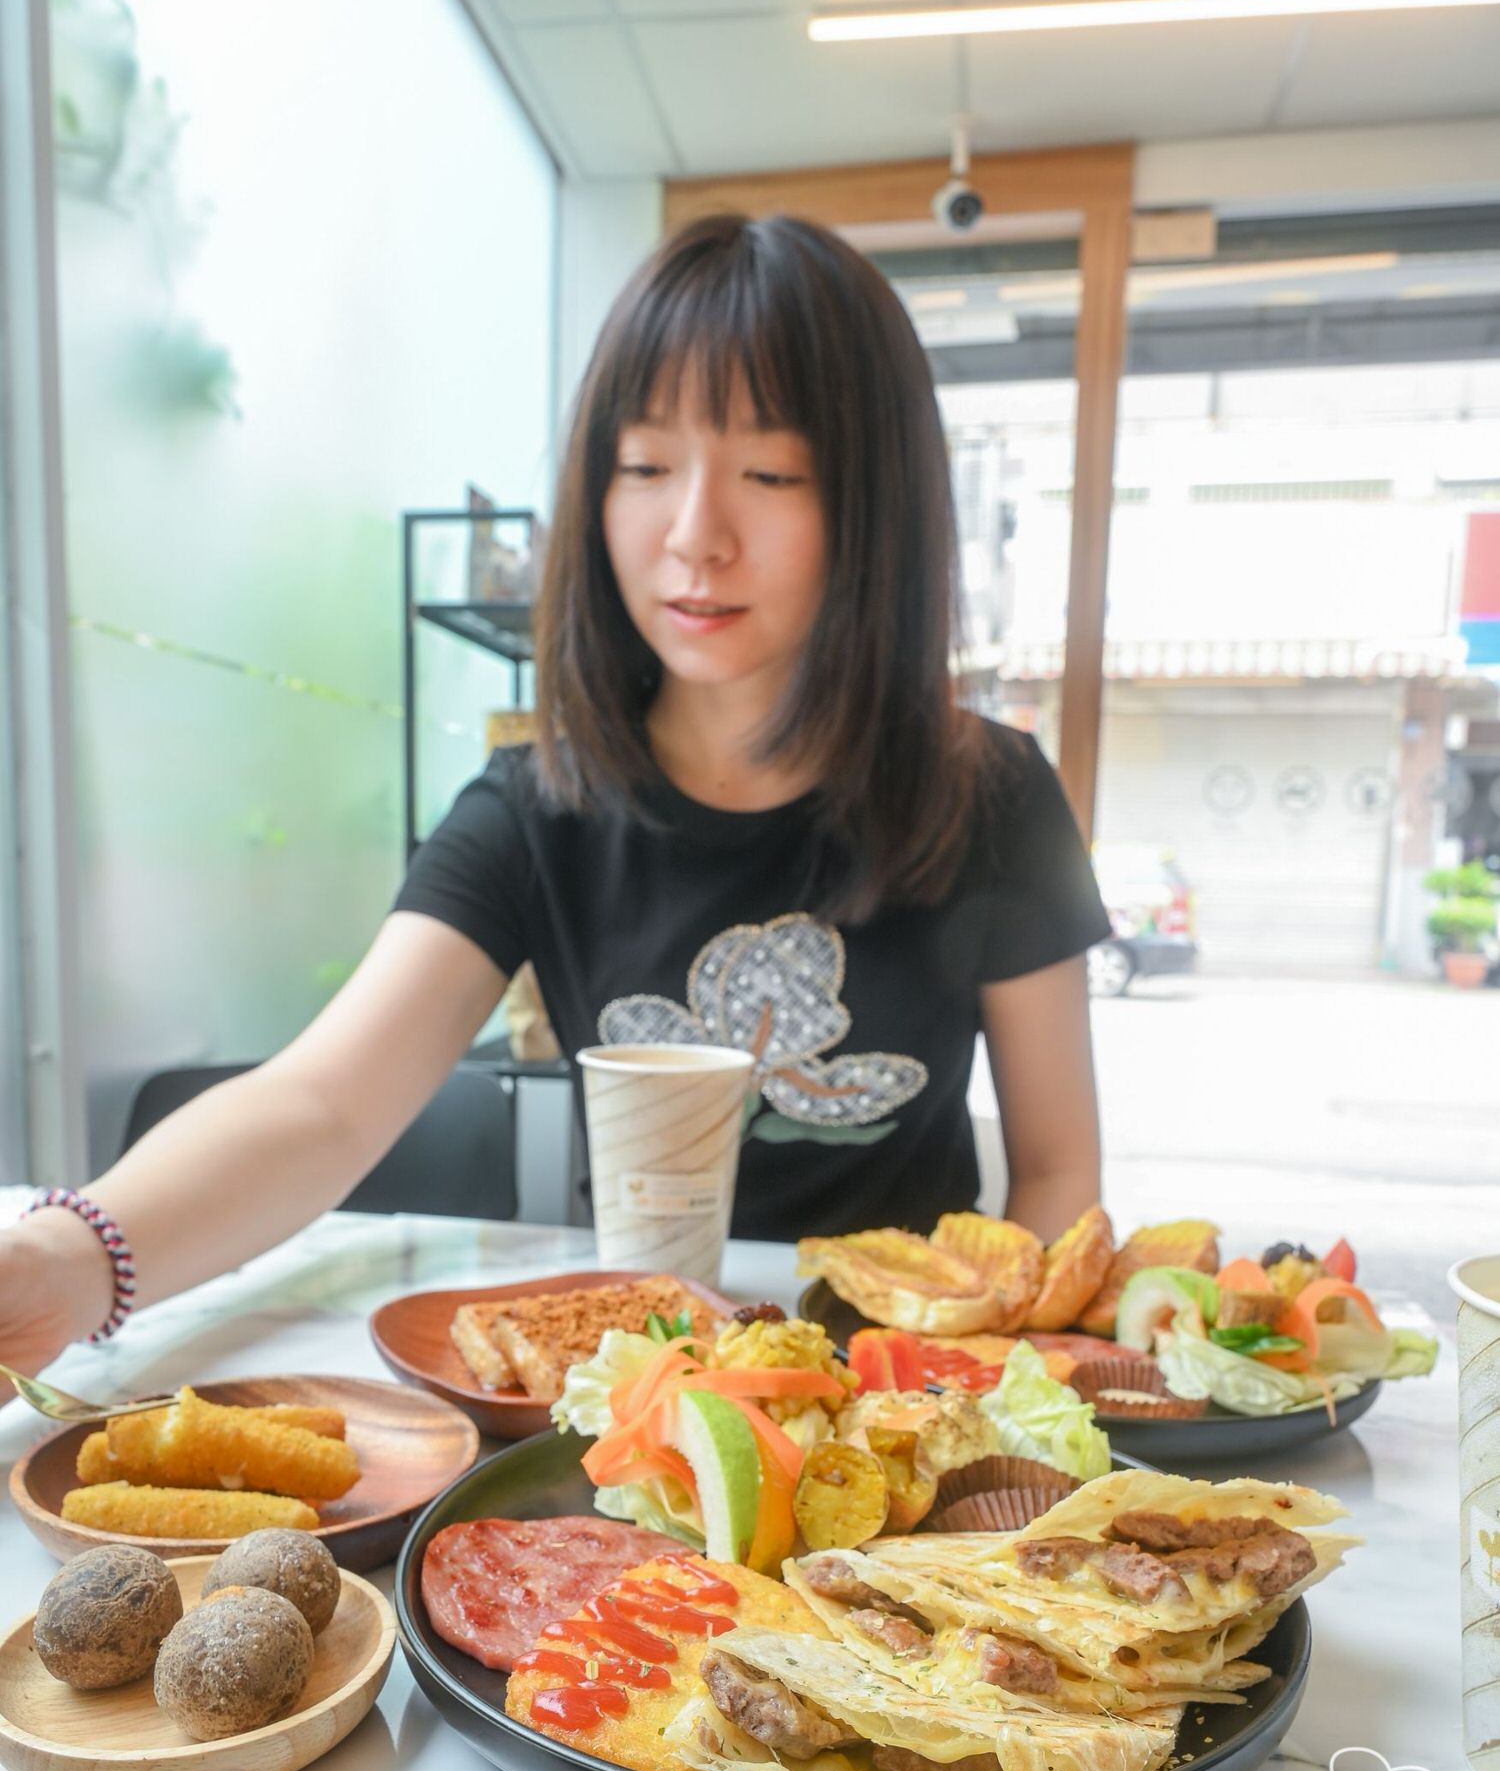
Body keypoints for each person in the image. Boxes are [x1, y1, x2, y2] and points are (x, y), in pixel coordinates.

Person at [0, 213, 1110, 1388]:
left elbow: (1053, 1171)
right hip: (629, 1391)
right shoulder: (538, 803)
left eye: (771, 473)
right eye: (644, 466)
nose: (694, 537)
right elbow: (323, 1105)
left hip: (896, 1386)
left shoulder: (990, 796)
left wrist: (967, 1396)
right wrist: (67, 1261)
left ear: (876, 505)